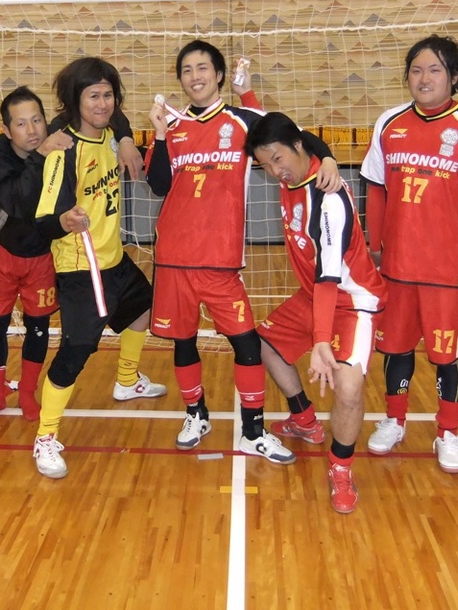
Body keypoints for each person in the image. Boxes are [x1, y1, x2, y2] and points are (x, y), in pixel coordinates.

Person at [145, 39, 341, 464]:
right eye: (186, 70)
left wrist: (326, 159)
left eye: (202, 68)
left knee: (247, 344)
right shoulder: (172, 126)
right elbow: (159, 185)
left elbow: (292, 136)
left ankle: (253, 431)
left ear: (218, 75)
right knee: (183, 341)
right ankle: (196, 414)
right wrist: (159, 134)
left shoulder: (240, 120)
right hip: (173, 255)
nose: (195, 77)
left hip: (220, 259)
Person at [359, 34, 458, 473]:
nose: (424, 79)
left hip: (450, 271)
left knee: (449, 355)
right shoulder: (389, 123)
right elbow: (376, 191)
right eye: (417, 70)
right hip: (398, 268)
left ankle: (448, 431)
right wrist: (373, 249)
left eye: (435, 70)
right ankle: (394, 420)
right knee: (396, 348)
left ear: (453, 76)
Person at [0, 87, 145, 426]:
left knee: (38, 326)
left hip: (42, 256)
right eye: (21, 124)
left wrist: (124, 139)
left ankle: (28, 393)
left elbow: (105, 112)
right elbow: (19, 203)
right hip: (1, 254)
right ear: (6, 130)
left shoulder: (58, 134)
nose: (32, 130)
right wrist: (42, 155)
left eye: (37, 120)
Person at [31, 57, 167, 479]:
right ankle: (46, 436)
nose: (102, 103)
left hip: (113, 257)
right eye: (93, 96)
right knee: (76, 351)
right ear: (76, 100)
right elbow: (44, 220)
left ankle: (126, 379)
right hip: (80, 267)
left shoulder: (110, 136)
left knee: (143, 305)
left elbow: (116, 123)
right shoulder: (63, 151)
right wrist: (64, 220)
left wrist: (126, 138)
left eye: (108, 95)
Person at [245, 112, 387, 513]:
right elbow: (291, 131)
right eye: (265, 165)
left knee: (348, 388)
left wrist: (321, 341)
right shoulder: (295, 166)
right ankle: (305, 420)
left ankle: (341, 469)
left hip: (351, 300)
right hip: (314, 295)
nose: (275, 171)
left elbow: (329, 278)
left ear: (298, 147)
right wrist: (248, 93)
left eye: (277, 159)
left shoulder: (328, 200)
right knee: (263, 344)